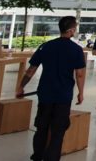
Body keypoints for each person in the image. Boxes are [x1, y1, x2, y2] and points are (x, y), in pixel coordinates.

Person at [17, 16, 86, 161]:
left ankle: (37, 155)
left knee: (42, 126)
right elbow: (79, 74)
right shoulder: (76, 50)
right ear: (71, 30)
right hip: (63, 95)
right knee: (58, 130)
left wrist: (21, 86)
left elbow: (31, 70)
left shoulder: (45, 46)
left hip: (45, 93)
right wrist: (81, 92)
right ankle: (52, 158)